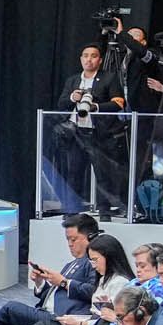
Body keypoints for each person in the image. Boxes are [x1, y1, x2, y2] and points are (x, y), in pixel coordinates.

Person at [51, 44, 124, 214]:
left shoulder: (109, 78)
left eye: (93, 56)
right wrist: (72, 97)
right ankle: (72, 210)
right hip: (76, 133)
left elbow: (119, 103)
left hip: (98, 133)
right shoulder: (73, 80)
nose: (88, 59)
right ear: (81, 59)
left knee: (102, 174)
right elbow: (61, 104)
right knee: (74, 172)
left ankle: (104, 210)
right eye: (85, 56)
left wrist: (95, 107)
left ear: (100, 60)